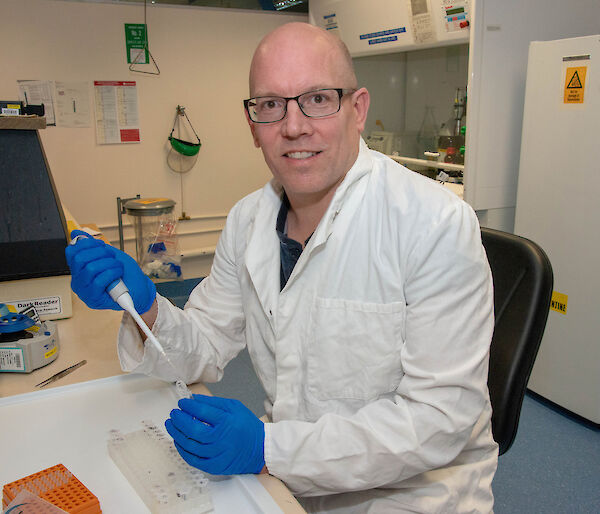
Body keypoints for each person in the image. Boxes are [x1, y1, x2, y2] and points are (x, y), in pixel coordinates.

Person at [66, 22, 498, 513]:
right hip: (287, 480)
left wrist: (269, 448)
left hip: (413, 495)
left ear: (357, 110)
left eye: (317, 99)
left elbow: (437, 420)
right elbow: (201, 349)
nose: (293, 126)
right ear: (253, 125)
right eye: (271, 105)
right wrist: (145, 308)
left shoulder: (433, 223)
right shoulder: (248, 220)